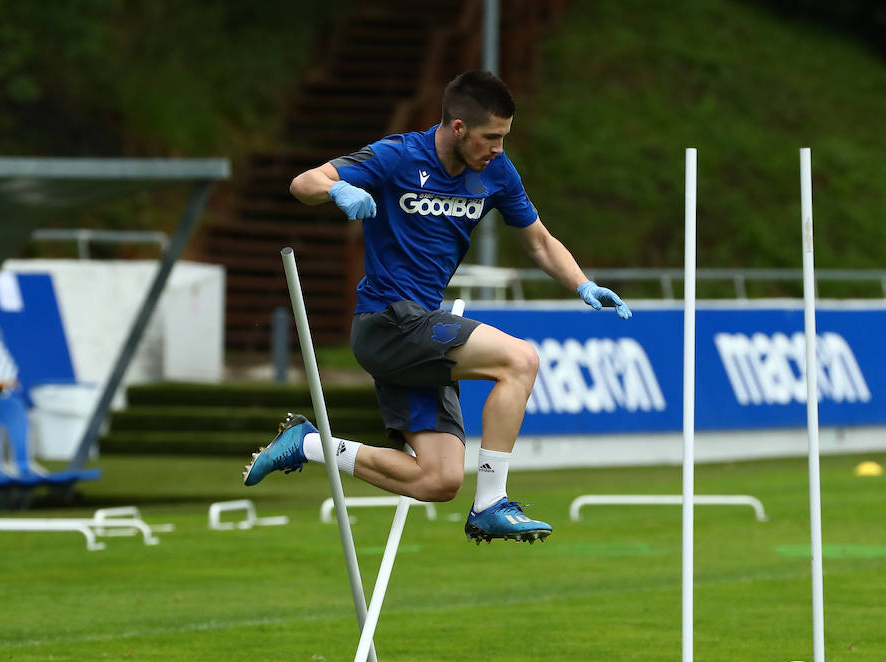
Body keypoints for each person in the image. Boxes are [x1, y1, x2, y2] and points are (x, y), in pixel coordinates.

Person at [244, 70, 630, 544]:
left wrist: (582, 284)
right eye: (491, 137)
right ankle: (491, 502)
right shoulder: (399, 155)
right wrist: (337, 189)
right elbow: (305, 182)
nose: (499, 149)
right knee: (520, 360)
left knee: (439, 480)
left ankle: (308, 444)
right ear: (458, 128)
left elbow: (540, 243)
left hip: (419, 334)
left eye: (505, 137)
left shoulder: (498, 173)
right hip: (387, 321)